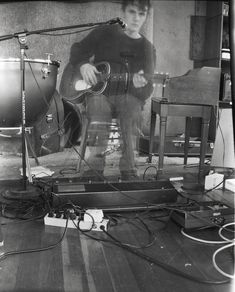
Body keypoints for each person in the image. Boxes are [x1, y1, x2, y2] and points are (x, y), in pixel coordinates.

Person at [68, 0, 156, 180]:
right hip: (100, 94)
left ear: (146, 16)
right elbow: (78, 49)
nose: (136, 18)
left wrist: (141, 85)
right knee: (99, 109)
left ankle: (129, 170)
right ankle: (94, 170)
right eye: (132, 12)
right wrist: (83, 64)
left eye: (142, 14)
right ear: (123, 11)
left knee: (132, 109)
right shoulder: (104, 32)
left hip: (128, 97)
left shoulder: (147, 48)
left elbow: (146, 90)